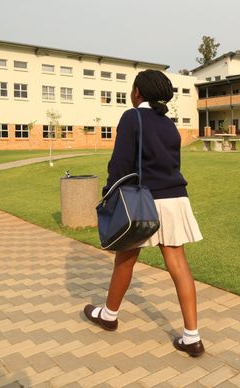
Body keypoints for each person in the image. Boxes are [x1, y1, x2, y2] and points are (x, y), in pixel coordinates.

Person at [84, 70, 204, 357]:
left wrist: (109, 196)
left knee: (125, 259)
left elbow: (120, 164)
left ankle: (109, 316)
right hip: (175, 199)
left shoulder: (132, 116)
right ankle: (192, 337)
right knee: (179, 264)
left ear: (138, 92)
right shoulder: (169, 125)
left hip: (144, 201)